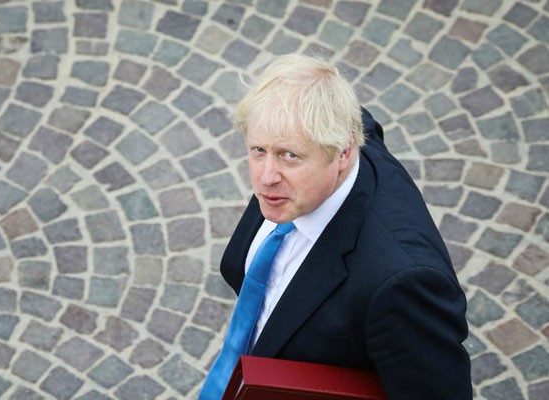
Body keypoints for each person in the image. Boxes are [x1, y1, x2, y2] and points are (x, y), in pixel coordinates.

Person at [199, 54, 471, 399]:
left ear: (343, 153)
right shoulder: (328, 142)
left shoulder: (403, 283)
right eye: (258, 150)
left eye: (290, 156)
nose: (266, 178)